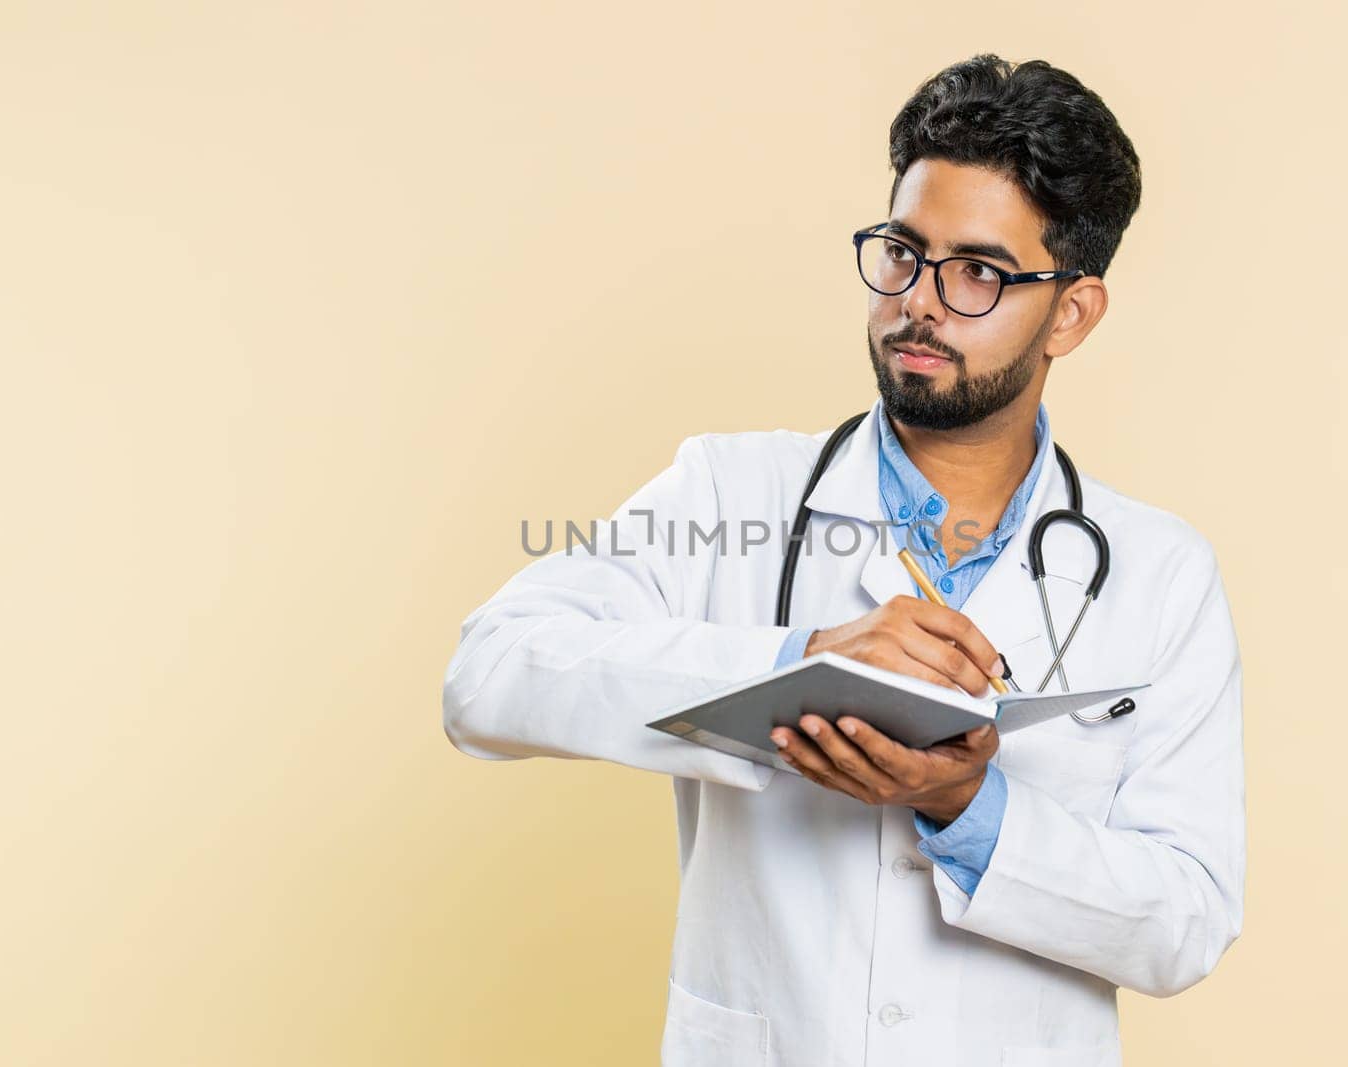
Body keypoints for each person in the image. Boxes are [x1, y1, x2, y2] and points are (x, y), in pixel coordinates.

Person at [443, 53, 1244, 1067]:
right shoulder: (726, 491)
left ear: (1072, 312)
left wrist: (965, 804)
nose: (921, 301)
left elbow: (1185, 920)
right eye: (902, 253)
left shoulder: (1159, 571)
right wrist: (801, 655)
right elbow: (487, 676)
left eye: (979, 273)